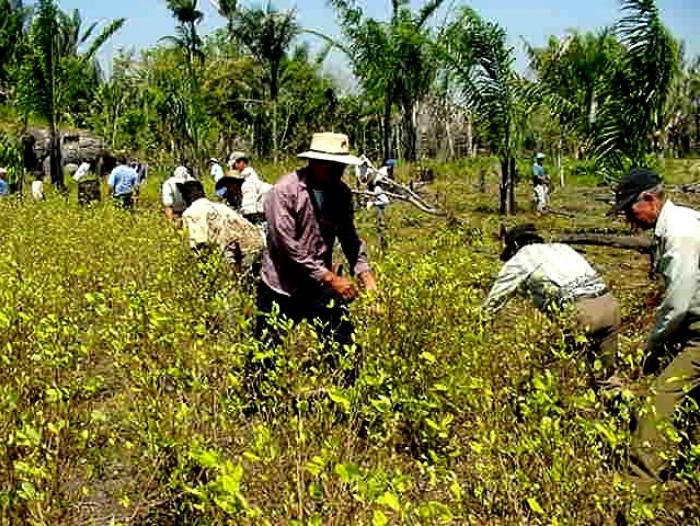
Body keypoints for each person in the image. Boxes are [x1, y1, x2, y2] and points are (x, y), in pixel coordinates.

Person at [256, 132, 378, 382]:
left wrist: (367, 278)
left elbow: (349, 238)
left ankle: (349, 401)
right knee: (265, 355)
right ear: (315, 162)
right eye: (332, 165)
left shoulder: (341, 193)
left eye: (341, 166)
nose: (338, 171)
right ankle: (257, 409)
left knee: (344, 346)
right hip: (281, 284)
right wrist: (332, 279)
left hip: (319, 283)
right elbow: (288, 247)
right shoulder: (284, 191)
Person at [607, 168, 700, 491]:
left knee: (660, 399)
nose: (629, 221)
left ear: (649, 199)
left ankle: (640, 485)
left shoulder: (680, 233)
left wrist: (654, 344)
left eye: (630, 209)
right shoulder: (680, 223)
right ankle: (686, 463)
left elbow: (678, 302)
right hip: (692, 325)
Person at [484, 224, 620, 382]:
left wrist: (480, 329)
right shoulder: (563, 248)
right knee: (606, 377)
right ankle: (621, 403)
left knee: (559, 373)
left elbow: (493, 303)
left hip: (582, 313)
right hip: (610, 306)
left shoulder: (520, 258)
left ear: (515, 246)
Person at [179, 180, 264, 273]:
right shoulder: (222, 207)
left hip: (239, 253)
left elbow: (198, 243)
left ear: (185, 197)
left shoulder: (190, 213)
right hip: (258, 243)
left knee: (232, 279)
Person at [229, 151, 271, 224]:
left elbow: (249, 209)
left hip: (264, 213)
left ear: (241, 163)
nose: (233, 168)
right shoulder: (250, 176)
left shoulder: (248, 181)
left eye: (234, 165)